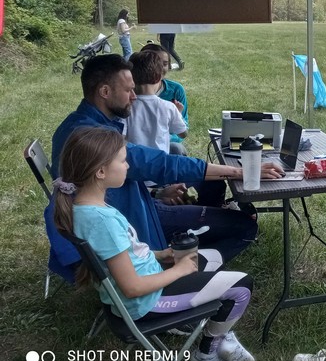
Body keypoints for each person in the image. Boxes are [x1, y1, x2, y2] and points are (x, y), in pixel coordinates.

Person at [52, 126, 284, 361]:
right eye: (123, 160)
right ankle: (208, 351)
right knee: (242, 285)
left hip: (141, 291)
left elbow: (127, 257)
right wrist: (180, 270)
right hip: (146, 302)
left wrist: (161, 255)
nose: (128, 165)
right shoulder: (101, 221)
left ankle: (210, 318)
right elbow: (133, 287)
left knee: (207, 258)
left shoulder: (89, 209)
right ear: (101, 172)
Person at [44, 53, 284, 283]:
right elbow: (160, 164)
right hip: (133, 220)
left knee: (211, 188)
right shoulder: (92, 136)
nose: (134, 96)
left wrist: (156, 193)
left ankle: (182, 256)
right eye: (128, 90)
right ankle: (179, 274)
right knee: (244, 226)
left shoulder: (82, 124)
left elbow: (107, 185)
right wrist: (243, 171)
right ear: (104, 92)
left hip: (137, 204)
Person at [127, 51, 187, 153]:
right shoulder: (169, 107)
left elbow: (121, 136)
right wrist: (178, 113)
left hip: (134, 162)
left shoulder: (126, 107)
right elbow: (183, 133)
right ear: (159, 77)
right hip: (161, 163)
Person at [141, 42, 190, 156]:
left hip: (167, 143)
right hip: (137, 145)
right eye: (155, 63)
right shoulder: (130, 90)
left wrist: (177, 116)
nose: (160, 68)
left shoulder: (176, 90)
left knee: (177, 149)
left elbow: (183, 130)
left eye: (165, 64)